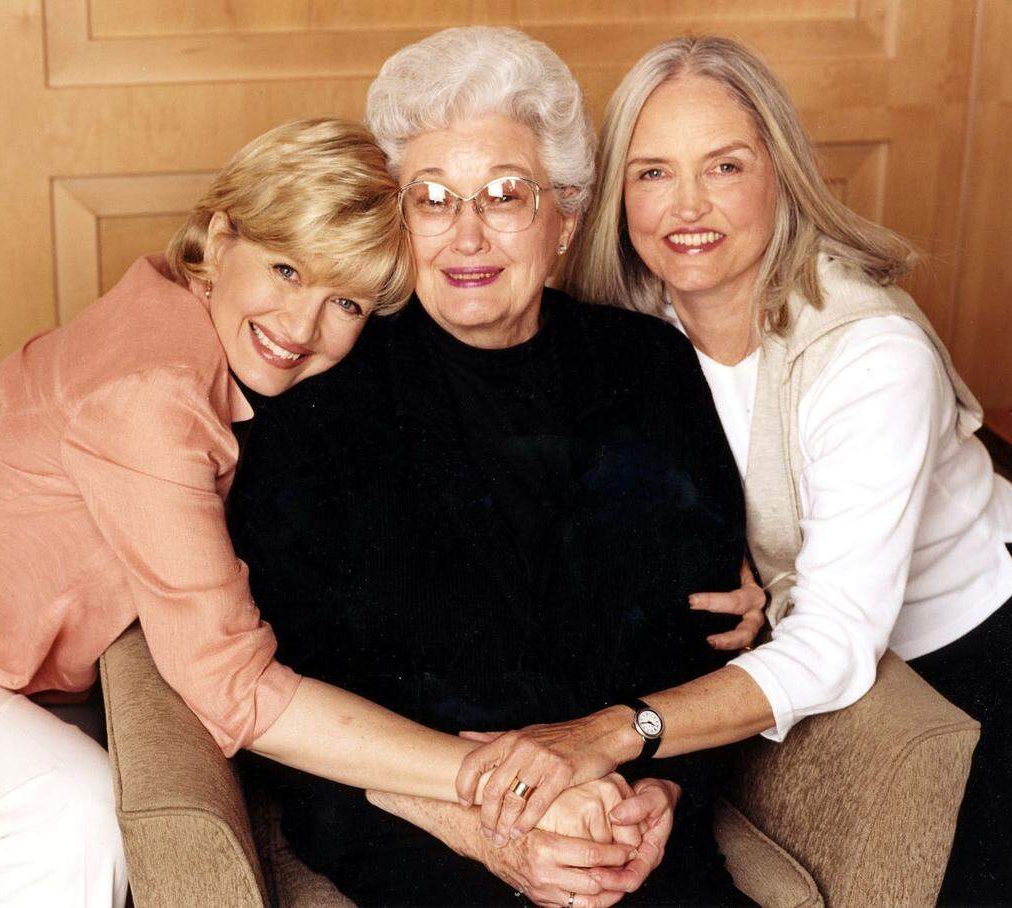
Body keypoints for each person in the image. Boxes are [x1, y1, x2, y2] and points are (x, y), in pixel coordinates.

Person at [457, 35, 1012, 906]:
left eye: (723, 166)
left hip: (973, 644)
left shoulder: (869, 354)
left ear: (781, 173)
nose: (686, 206)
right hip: (805, 631)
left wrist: (614, 734)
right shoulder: (629, 316)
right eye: (651, 173)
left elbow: (839, 639)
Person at [228, 27, 759, 907]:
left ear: (565, 219)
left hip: (623, 819)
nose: (466, 235)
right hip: (421, 831)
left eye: (505, 195)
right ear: (399, 221)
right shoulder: (323, 392)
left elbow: (703, 631)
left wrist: (662, 798)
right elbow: (284, 696)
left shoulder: (648, 369)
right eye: (433, 199)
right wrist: (480, 827)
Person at [0, 117, 477, 908]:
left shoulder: (173, 310)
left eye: (345, 300)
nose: (302, 327)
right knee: (67, 815)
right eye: (285, 268)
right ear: (218, 235)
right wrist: (476, 774)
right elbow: (231, 687)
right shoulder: (154, 394)